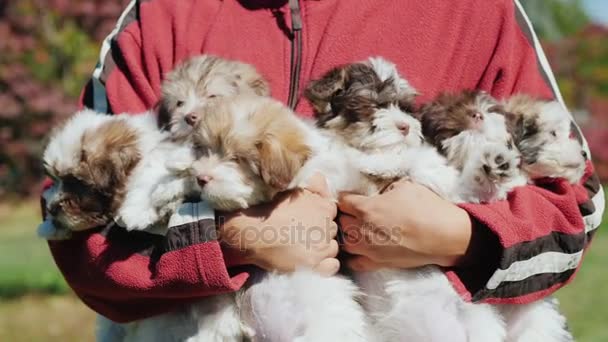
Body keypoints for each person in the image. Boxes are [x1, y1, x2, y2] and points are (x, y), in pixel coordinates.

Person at [44, 0, 603, 325]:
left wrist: (464, 234)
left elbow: (576, 206)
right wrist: (231, 238)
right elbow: (70, 220)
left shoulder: (476, 11)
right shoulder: (164, 14)